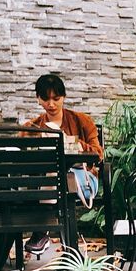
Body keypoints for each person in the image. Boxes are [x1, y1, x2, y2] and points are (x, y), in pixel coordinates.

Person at [24, 73, 103, 254]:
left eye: (56, 98)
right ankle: (70, 253)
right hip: (46, 184)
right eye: (45, 99)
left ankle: (40, 232)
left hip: (84, 181)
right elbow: (19, 151)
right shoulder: (34, 126)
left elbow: (98, 154)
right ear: (38, 99)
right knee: (54, 173)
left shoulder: (81, 121)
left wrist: (69, 141)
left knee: (56, 174)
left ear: (64, 98)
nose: (51, 104)